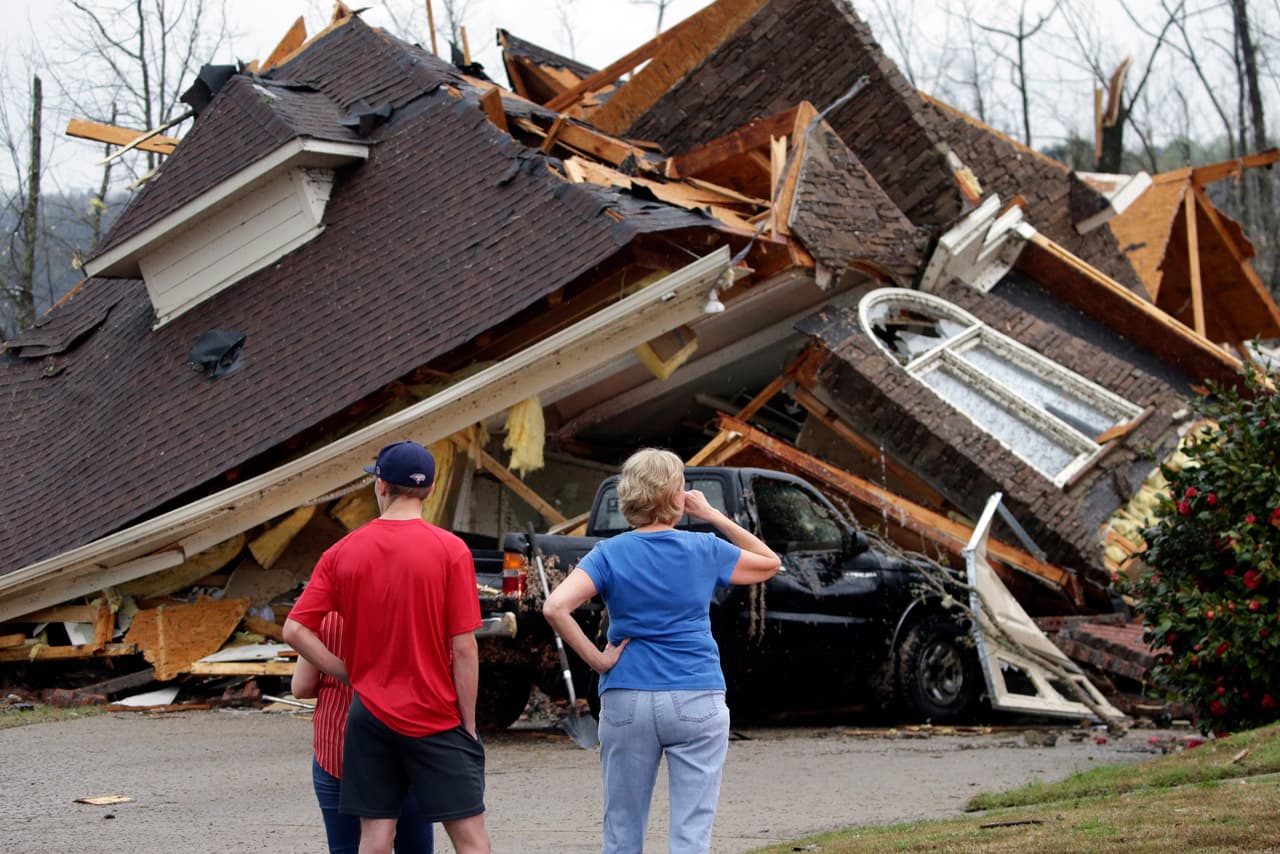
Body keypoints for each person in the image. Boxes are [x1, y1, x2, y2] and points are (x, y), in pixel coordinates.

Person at [543, 448, 781, 854]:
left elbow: (555, 607)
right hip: (696, 695)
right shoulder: (703, 547)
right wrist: (712, 515)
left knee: (621, 832)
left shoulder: (609, 553)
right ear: (676, 496)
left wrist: (600, 661)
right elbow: (769, 562)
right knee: (691, 836)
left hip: (627, 696)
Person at [284, 440, 491, 854]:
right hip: (434, 713)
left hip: (369, 715)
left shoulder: (342, 552)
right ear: (430, 490)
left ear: (380, 485)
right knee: (470, 841)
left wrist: (346, 671)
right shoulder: (451, 551)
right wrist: (467, 723)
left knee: (375, 837)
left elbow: (294, 630)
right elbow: (464, 648)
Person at [291, 610, 435, 854]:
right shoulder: (413, 611)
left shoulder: (326, 616)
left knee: (346, 847)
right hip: (405, 750)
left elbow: (301, 687)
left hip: (337, 750)